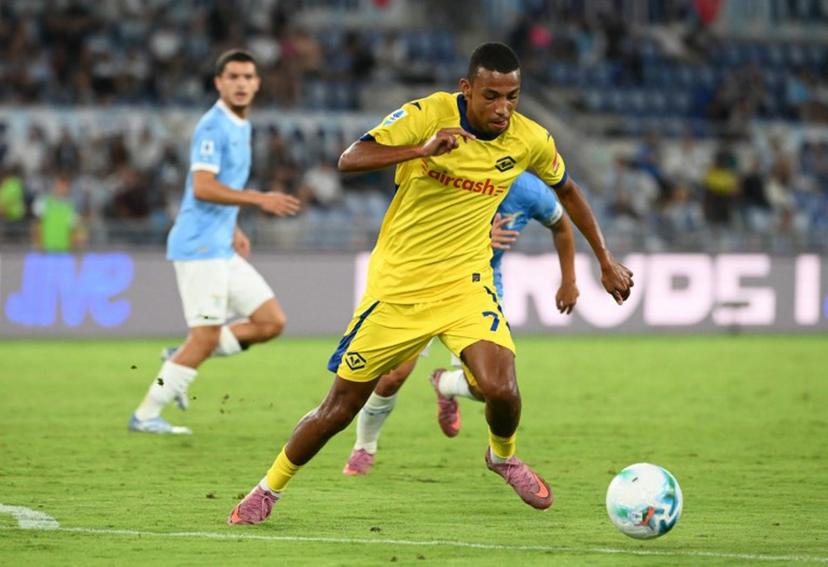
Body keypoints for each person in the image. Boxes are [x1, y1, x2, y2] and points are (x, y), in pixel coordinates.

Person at [229, 42, 632, 524]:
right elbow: (351, 158)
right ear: (466, 89)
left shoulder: (530, 140)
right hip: (398, 289)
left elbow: (568, 193)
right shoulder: (427, 114)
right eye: (491, 96)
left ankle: (502, 456)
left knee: (502, 388)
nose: (503, 108)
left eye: (512, 96)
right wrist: (420, 149)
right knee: (339, 408)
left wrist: (603, 260)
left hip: (465, 283)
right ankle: (268, 489)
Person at [342, 170, 579, 476]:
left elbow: (561, 225)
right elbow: (412, 224)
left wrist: (569, 280)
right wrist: (478, 238)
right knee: (392, 376)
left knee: (488, 388)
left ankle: (445, 384)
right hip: (425, 284)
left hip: (478, 291)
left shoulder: (530, 191)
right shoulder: (451, 171)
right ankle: (365, 446)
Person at [128, 49, 301, 435]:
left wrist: (235, 226)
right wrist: (261, 199)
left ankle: (182, 357)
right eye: (233, 77)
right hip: (198, 246)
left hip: (221, 243)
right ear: (218, 83)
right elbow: (204, 187)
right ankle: (144, 415)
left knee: (271, 321)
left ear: (257, 83)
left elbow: (226, 186)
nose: (241, 84)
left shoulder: (242, 126)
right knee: (204, 338)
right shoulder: (213, 126)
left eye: (247, 77)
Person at [31, 172, 84, 253]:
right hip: (46, 250)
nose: (63, 189)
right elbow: (36, 225)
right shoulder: (44, 202)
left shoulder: (71, 207)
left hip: (64, 251)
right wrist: (38, 244)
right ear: (55, 185)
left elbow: (73, 230)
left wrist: (72, 248)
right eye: (60, 185)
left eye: (66, 186)